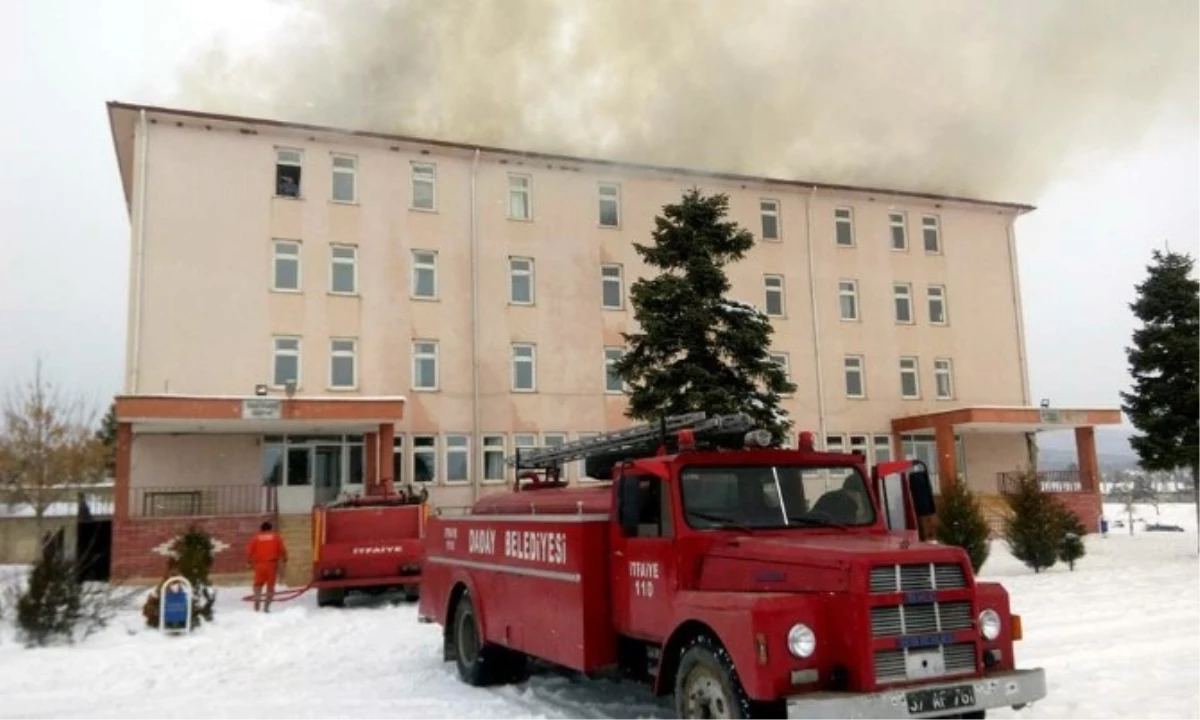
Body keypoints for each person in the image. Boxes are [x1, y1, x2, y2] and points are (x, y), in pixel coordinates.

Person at [246, 520, 288, 612]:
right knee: (270, 587)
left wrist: (249, 562)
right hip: (271, 565)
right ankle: (266, 608)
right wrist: (285, 559)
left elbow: (249, 551)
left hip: (259, 565)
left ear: (261, 529)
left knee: (257, 585)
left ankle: (257, 602)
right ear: (270, 528)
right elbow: (282, 550)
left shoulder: (256, 538)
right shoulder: (276, 537)